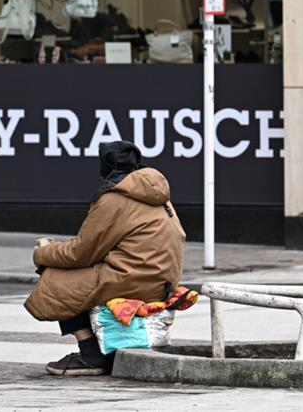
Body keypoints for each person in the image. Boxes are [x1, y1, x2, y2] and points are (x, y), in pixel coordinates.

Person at [24, 140, 186, 375]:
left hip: (134, 279)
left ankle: (91, 355)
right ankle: (105, 351)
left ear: (104, 170)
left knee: (54, 278)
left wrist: (42, 254)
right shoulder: (159, 195)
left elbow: (80, 253)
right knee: (78, 275)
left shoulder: (114, 199)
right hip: (162, 281)